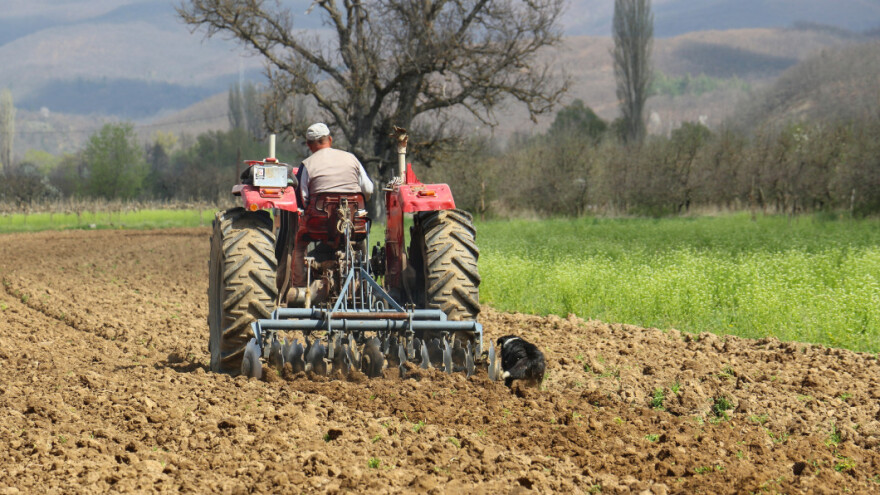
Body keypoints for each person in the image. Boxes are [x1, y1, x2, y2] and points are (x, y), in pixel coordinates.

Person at [290, 123, 374, 289]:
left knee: (299, 245)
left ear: (308, 144)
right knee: (360, 237)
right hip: (351, 222)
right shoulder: (351, 158)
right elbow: (368, 189)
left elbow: (302, 199)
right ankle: (365, 279)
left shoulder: (307, 164)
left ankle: (299, 289)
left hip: (318, 225)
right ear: (330, 139)